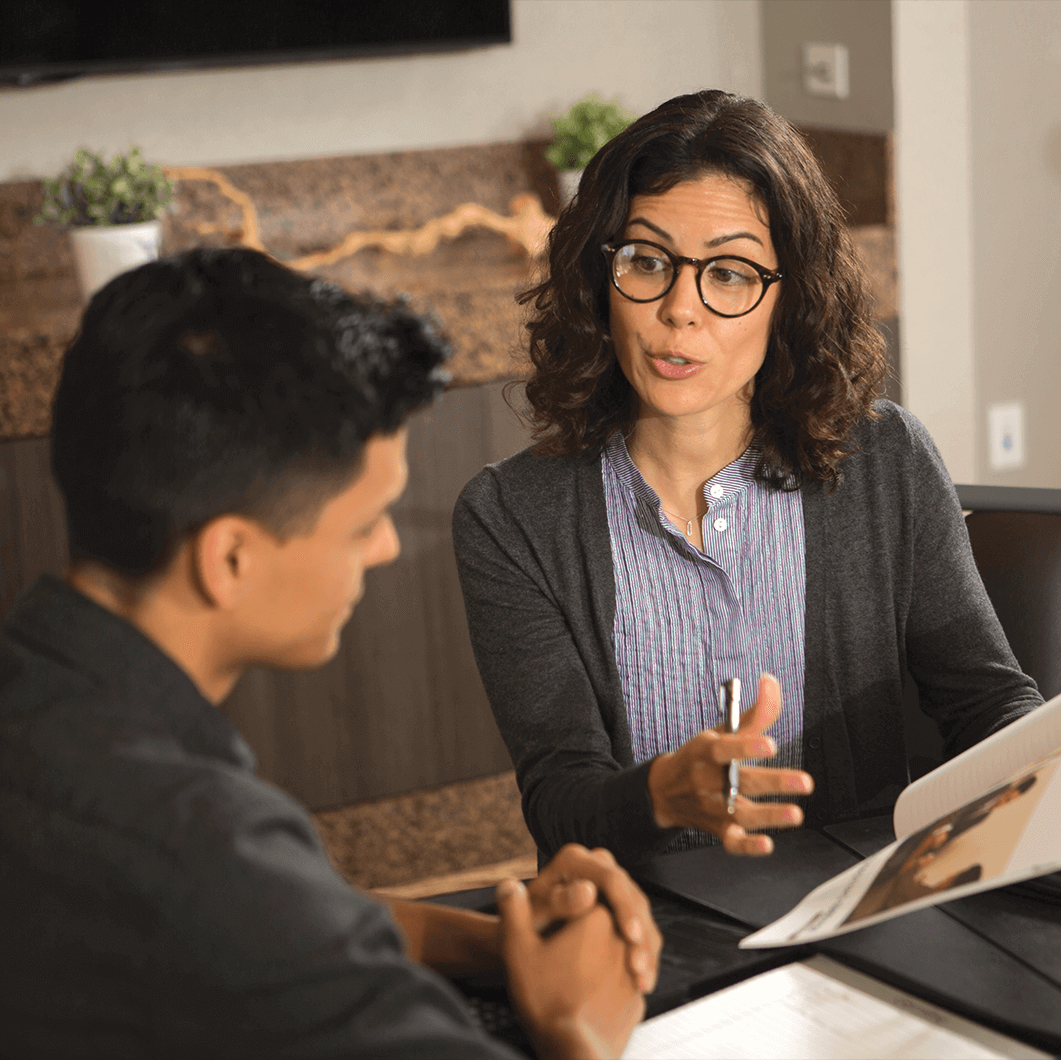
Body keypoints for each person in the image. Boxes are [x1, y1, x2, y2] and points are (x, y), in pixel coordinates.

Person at [0, 248, 661, 1059]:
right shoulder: (200, 846)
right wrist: (577, 1027)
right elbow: (230, 895)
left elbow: (276, 913)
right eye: (361, 523)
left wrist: (496, 940)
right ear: (230, 559)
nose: (385, 549)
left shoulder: (46, 685)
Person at [453, 89, 1041, 869]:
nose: (678, 310)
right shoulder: (508, 517)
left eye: (727, 274)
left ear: (788, 295)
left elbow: (987, 704)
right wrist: (660, 793)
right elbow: (561, 805)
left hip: (853, 912)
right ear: (600, 276)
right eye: (647, 261)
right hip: (643, 932)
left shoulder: (886, 460)